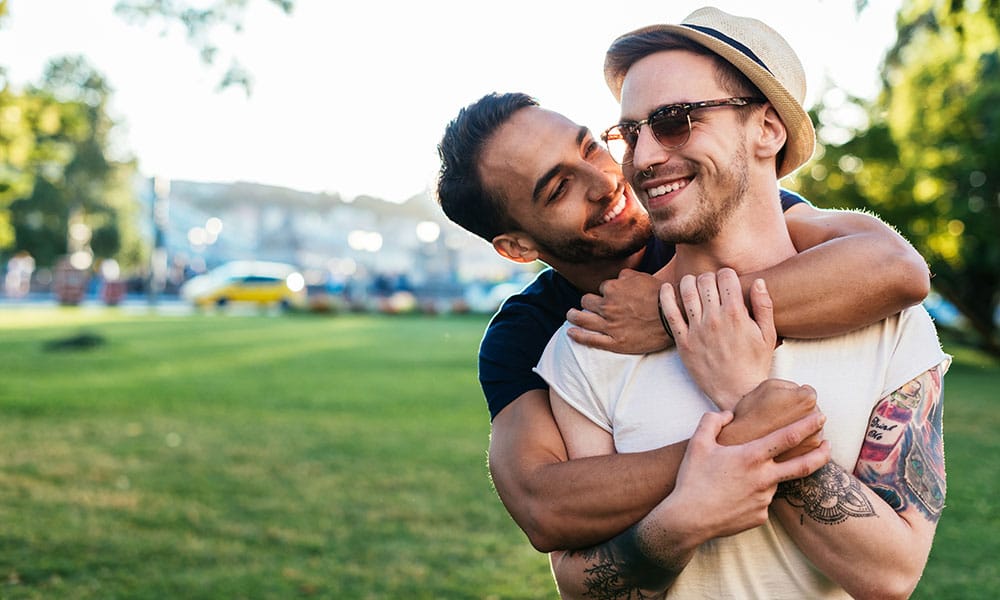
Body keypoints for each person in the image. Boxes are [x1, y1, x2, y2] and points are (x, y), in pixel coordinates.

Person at [534, 7, 949, 598]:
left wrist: (747, 402)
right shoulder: (594, 341)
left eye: (674, 121)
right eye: (630, 132)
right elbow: (580, 582)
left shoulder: (893, 329)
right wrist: (677, 527)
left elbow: (890, 573)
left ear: (767, 129)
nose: (644, 159)